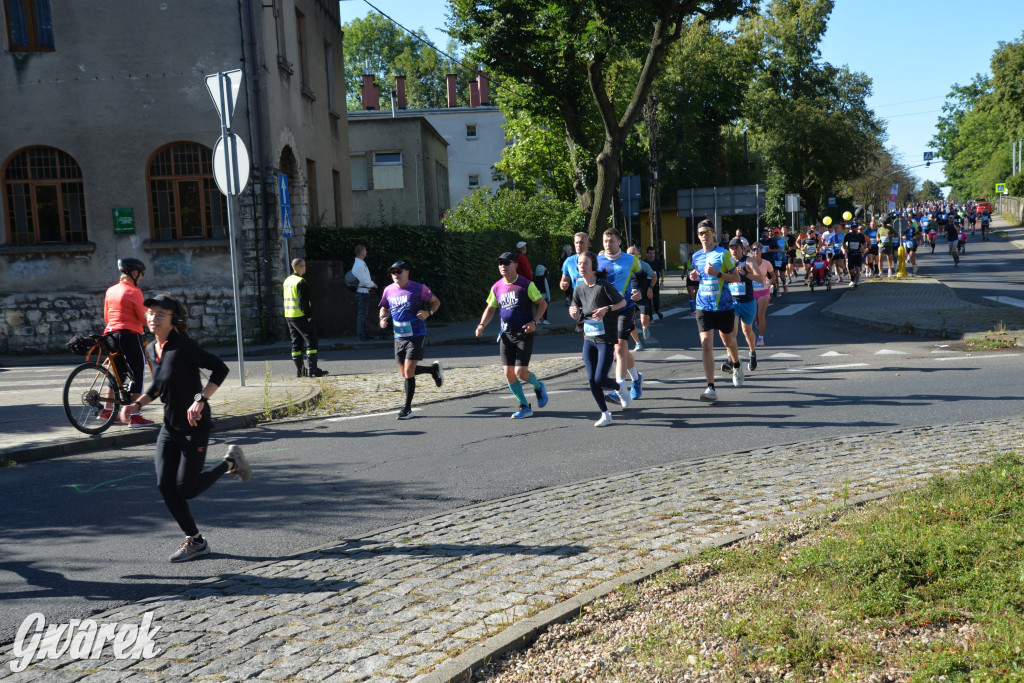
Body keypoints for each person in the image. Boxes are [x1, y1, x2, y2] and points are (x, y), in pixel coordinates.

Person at [121, 293, 252, 562]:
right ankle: (196, 540)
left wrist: (199, 399)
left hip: (195, 427)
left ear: (173, 319)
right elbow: (159, 385)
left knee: (186, 489)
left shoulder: (184, 347)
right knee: (165, 485)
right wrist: (137, 404)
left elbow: (220, 369)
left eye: (160, 314)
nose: (153, 318)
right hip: (170, 427)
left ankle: (230, 462)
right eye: (151, 313)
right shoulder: (151, 348)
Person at [475, 252, 549, 418]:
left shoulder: (526, 285)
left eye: (506, 263)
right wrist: (481, 325)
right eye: (500, 263)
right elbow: (490, 309)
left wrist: (534, 322)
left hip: (524, 334)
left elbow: (542, 303)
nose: (503, 266)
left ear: (515, 265)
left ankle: (538, 386)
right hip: (506, 335)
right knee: (508, 373)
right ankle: (524, 406)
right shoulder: (496, 287)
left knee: (520, 372)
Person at [378, 261, 443, 420]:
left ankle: (407, 409)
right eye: (393, 272)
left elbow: (436, 302)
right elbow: (384, 307)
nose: (395, 275)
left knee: (408, 372)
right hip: (399, 337)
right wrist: (382, 318)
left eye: (398, 271)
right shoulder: (388, 290)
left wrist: (428, 313)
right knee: (404, 372)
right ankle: (433, 370)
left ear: (407, 272)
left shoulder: (419, 288)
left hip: (416, 335)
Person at [569, 251, 628, 426]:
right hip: (589, 338)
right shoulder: (579, 289)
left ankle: (619, 387)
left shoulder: (603, 286)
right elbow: (576, 312)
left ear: (593, 267)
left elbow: (622, 303)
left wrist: (606, 309)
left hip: (605, 338)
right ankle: (605, 414)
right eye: (579, 263)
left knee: (600, 379)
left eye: (585, 263)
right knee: (591, 380)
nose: (582, 266)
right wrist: (574, 313)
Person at [688, 219, 742, 402]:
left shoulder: (723, 254)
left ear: (713, 234)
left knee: (728, 341)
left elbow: (736, 277)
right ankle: (710, 387)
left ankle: (736, 364)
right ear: (698, 236)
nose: (704, 236)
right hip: (703, 305)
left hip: (724, 305)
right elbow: (699, 276)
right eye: (701, 233)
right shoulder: (696, 256)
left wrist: (718, 274)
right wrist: (694, 276)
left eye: (707, 232)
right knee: (706, 344)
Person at [102, 258, 154, 427]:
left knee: (118, 374)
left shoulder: (111, 290)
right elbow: (143, 318)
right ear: (134, 273)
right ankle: (135, 416)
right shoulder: (134, 292)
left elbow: (107, 317)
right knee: (137, 373)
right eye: (141, 274)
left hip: (110, 336)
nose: (141, 277)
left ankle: (107, 411)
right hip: (129, 336)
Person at [598, 229, 644, 402]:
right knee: (620, 349)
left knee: (620, 347)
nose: (608, 244)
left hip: (626, 307)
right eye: (605, 241)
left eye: (611, 241)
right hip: (607, 310)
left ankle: (619, 390)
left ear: (619, 242)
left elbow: (642, 275)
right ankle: (636, 377)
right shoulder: (598, 261)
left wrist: (638, 290)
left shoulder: (630, 259)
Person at [725, 238, 766, 372]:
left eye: (737, 248)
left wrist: (746, 274)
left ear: (742, 249)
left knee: (747, 332)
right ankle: (731, 360)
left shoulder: (748, 261)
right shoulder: (727, 261)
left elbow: (760, 278)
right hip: (732, 303)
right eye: (731, 248)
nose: (734, 251)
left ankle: (752, 353)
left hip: (747, 302)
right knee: (731, 332)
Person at [283, 258, 328, 377]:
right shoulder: (301, 282)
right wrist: (308, 315)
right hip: (300, 315)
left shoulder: (287, 281)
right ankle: (312, 370)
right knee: (311, 340)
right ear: (301, 267)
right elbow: (303, 301)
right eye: (304, 266)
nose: (305, 267)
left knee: (296, 343)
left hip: (289, 315)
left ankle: (301, 371)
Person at [626, 246, 657, 350]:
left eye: (633, 253)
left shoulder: (644, 265)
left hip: (643, 296)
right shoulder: (624, 266)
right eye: (629, 254)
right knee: (631, 322)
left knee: (644, 321)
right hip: (629, 298)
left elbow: (654, 277)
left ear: (638, 254)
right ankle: (637, 343)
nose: (631, 255)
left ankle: (645, 327)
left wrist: (650, 288)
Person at [749, 242, 776, 347]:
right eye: (754, 249)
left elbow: (773, 275)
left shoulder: (766, 263)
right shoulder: (748, 262)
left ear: (762, 251)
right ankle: (757, 323)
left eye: (758, 249)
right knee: (753, 318)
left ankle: (761, 338)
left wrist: (771, 280)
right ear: (751, 251)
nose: (756, 251)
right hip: (751, 292)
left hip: (763, 291)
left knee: (761, 315)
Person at [351, 245, 378, 342]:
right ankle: (361, 335)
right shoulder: (359, 265)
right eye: (365, 250)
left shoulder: (360, 263)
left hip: (363, 292)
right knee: (362, 315)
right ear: (361, 252)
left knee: (363, 315)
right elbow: (364, 280)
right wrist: (373, 285)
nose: (366, 252)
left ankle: (364, 334)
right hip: (362, 293)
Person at [843, 221, 867, 288]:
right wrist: (846, 248)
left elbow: (864, 244)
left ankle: (856, 284)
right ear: (851, 228)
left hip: (858, 254)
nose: (854, 229)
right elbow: (844, 243)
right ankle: (852, 278)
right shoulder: (848, 235)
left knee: (857, 269)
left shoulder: (861, 236)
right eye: (853, 228)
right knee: (851, 270)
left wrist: (862, 247)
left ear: (857, 228)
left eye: (855, 228)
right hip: (850, 254)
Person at [644, 246, 665, 320]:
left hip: (655, 284)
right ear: (647, 254)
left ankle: (657, 311)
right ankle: (650, 316)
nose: (652, 255)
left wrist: (662, 281)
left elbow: (662, 271)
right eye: (650, 253)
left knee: (656, 300)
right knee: (648, 301)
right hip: (647, 285)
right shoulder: (644, 262)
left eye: (653, 253)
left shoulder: (658, 262)